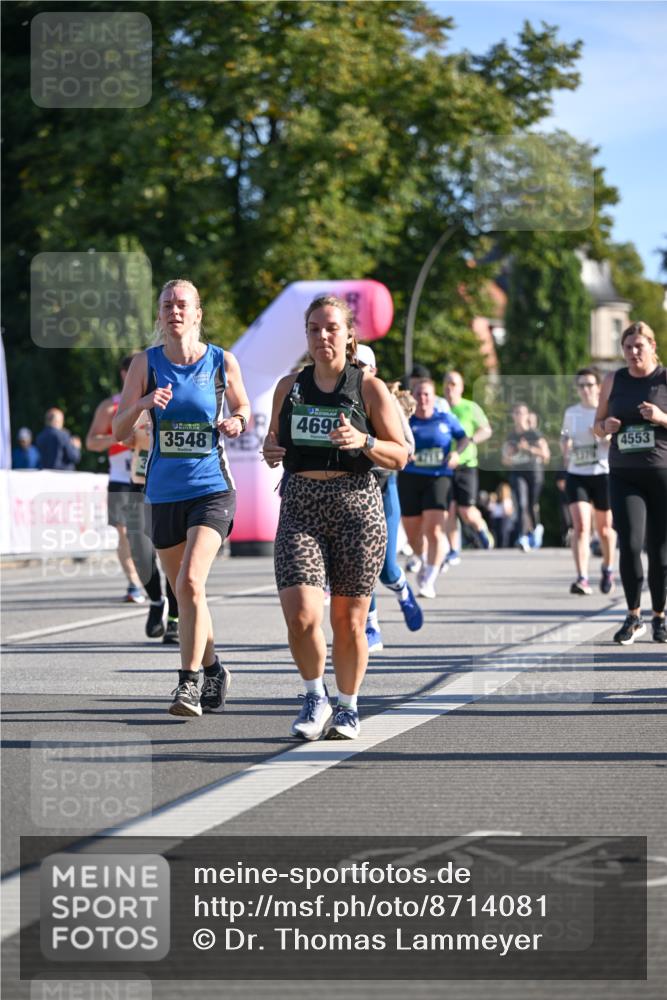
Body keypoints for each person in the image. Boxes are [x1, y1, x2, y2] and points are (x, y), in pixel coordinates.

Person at [262, 295, 408, 741]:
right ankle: (314, 696)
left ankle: (347, 706)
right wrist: (271, 450)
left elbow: (400, 454)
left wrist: (364, 441)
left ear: (348, 336)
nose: (322, 336)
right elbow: (272, 440)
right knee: (301, 615)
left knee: (348, 621)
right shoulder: (289, 387)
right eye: (314, 329)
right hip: (301, 505)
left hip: (356, 508)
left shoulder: (369, 388)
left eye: (331, 328)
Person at [113, 278, 251, 713]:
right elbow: (118, 430)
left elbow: (243, 407)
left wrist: (237, 422)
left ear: (197, 314)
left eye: (182, 305)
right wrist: (143, 404)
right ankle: (214, 668)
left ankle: (187, 683)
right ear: (159, 314)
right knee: (184, 593)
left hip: (212, 488)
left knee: (191, 581)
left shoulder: (221, 361)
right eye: (167, 305)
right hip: (163, 492)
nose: (174, 311)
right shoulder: (146, 363)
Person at [594, 322, 667, 644]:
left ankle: (659, 616)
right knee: (631, 545)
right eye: (628, 347)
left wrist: (661, 418)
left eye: (639, 346)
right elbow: (597, 425)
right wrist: (605, 427)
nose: (633, 352)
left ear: (652, 347)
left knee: (660, 550)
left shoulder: (664, 378)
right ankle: (634, 615)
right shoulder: (614, 379)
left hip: (661, 473)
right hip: (624, 473)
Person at [354, 346, 423, 652]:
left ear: (374, 370)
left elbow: (408, 447)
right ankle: (371, 626)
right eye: (352, 364)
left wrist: (369, 446)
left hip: (383, 484)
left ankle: (403, 590)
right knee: (361, 562)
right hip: (352, 488)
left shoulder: (385, 398)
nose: (356, 370)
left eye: (361, 365)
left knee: (386, 567)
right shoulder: (336, 396)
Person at [86, 356, 150, 606]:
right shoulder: (110, 406)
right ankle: (134, 584)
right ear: (124, 374)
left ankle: (155, 579)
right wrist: (119, 436)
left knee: (149, 533)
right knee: (124, 533)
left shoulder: (158, 400)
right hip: (121, 479)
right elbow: (91, 442)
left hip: (149, 475)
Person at [398, 377, 469, 599]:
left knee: (434, 529)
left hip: (439, 477)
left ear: (433, 397)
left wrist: (456, 454)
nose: (423, 398)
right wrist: (403, 453)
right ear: (413, 397)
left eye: (427, 394)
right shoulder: (405, 420)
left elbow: (464, 438)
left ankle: (429, 578)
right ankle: (422, 557)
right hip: (410, 477)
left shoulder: (445, 418)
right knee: (412, 534)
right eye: (418, 394)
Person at [561, 368, 616, 595]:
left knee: (604, 529)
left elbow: (614, 438)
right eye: (581, 385)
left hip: (602, 473)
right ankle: (582, 577)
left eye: (590, 385)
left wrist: (603, 435)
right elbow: (565, 435)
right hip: (577, 474)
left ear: (599, 387)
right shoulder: (571, 412)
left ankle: (608, 568)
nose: (585, 389)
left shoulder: (606, 410)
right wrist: (565, 447)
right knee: (581, 526)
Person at [442, 370, 494, 567]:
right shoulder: (440, 408)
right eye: (447, 383)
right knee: (449, 509)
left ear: (461, 388)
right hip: (444, 466)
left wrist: (470, 440)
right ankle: (453, 549)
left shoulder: (470, 407)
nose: (450, 388)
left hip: (466, 465)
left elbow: (486, 430)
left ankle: (481, 529)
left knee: (466, 510)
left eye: (454, 384)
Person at [501, 403, 550, 551]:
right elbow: (505, 460)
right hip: (518, 473)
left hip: (534, 473)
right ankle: (522, 536)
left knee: (531, 505)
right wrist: (509, 455)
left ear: (527, 415)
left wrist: (528, 448)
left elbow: (546, 455)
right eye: (516, 413)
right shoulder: (511, 436)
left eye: (522, 413)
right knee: (521, 504)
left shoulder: (535, 434)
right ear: (512, 416)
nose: (519, 416)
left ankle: (536, 529)